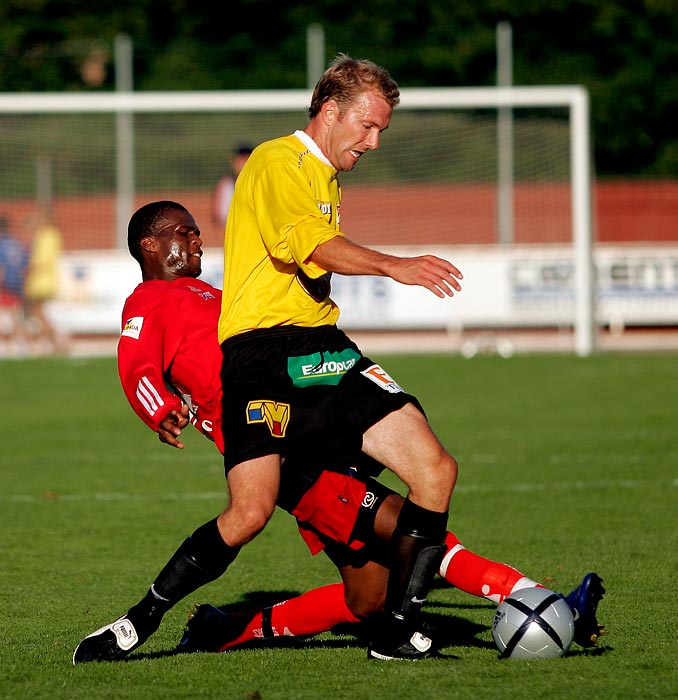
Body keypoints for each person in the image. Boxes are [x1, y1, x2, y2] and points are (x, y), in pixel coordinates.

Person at [72, 201, 604, 664]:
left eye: (195, 231)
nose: (196, 239)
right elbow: (135, 362)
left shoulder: (217, 295)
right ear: (148, 243)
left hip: (312, 428)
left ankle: (224, 629)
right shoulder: (150, 301)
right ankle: (549, 604)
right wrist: (159, 406)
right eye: (182, 232)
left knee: (368, 599)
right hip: (286, 453)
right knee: (413, 531)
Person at [215, 53, 464, 660]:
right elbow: (310, 245)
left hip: (319, 348)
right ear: (330, 110)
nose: (374, 142)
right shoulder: (279, 160)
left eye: (382, 130)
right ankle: (166, 616)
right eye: (368, 125)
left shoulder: (324, 177)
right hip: (272, 353)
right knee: (256, 512)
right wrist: (391, 264)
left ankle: (398, 630)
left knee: (434, 470)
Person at [23, 214, 67, 355]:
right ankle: (52, 341)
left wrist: (29, 269)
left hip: (41, 280)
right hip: (45, 279)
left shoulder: (46, 235)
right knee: (39, 313)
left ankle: (56, 340)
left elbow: (41, 259)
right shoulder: (50, 235)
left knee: (37, 312)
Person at [0, 216, 29, 354]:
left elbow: (1, 269)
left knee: (4, 317)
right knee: (16, 317)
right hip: (17, 285)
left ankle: (4, 347)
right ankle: (21, 346)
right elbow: (25, 266)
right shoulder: (18, 244)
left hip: (4, 286)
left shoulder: (1, 245)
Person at [211, 143, 253, 230]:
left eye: (247, 159)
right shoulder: (226, 185)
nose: (243, 163)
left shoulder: (257, 183)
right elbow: (217, 215)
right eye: (241, 159)